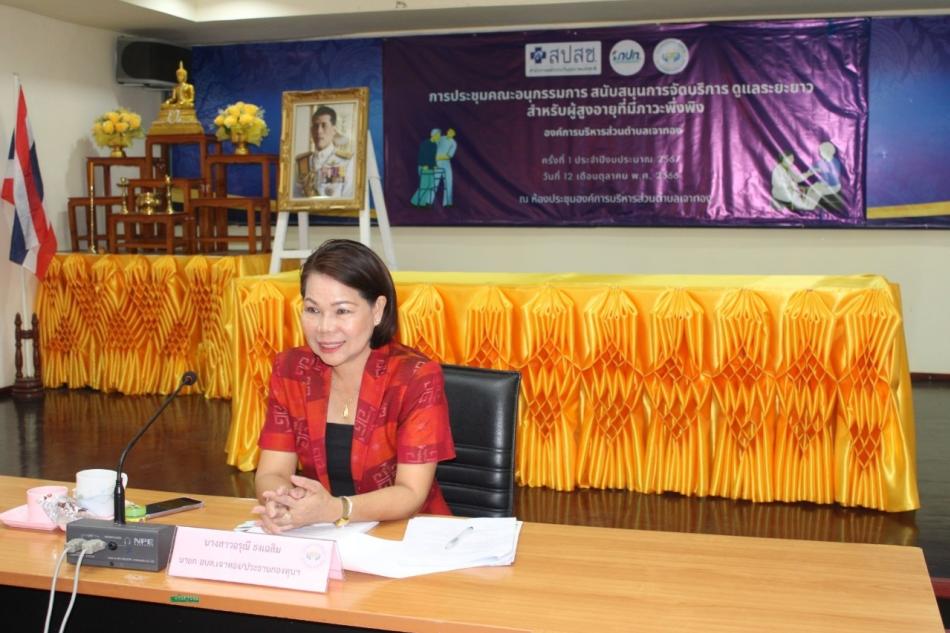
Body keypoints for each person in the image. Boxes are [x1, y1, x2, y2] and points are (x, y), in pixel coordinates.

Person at [253, 239, 456, 533]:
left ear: (377, 310)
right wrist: (282, 501)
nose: (324, 327)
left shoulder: (414, 377)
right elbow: (272, 472)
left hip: (407, 535)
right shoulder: (292, 370)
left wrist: (335, 509)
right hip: (321, 534)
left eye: (342, 311)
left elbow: (411, 493)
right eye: (312, 310)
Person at [294, 105, 355, 199]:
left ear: (334, 130)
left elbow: (349, 196)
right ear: (311, 130)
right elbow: (295, 198)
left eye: (324, 125)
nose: (319, 131)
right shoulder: (301, 161)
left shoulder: (346, 161)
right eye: (315, 126)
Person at [436, 128, 458, 206]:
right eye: (449, 132)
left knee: (449, 181)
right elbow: (434, 146)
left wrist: (440, 157)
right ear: (447, 132)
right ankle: (429, 201)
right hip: (437, 162)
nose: (450, 133)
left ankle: (447, 203)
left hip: (446, 163)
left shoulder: (453, 143)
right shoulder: (441, 138)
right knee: (434, 182)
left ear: (453, 134)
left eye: (452, 133)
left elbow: (449, 155)